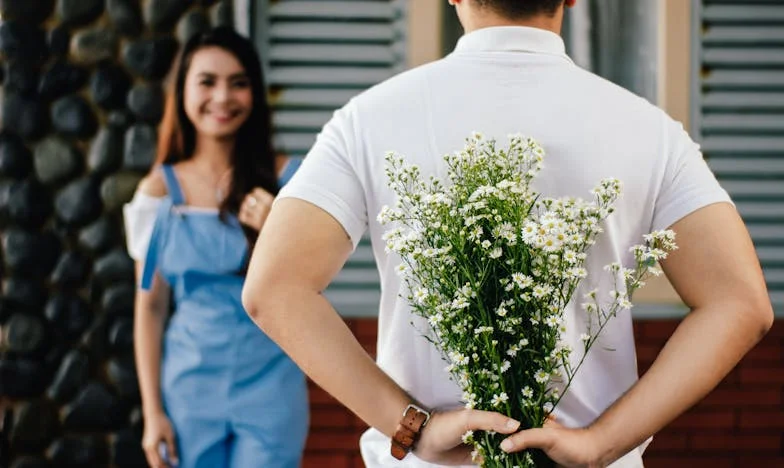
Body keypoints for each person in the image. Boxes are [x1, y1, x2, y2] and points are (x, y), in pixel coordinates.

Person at [241, 1, 774, 467]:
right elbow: (741, 304)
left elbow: (273, 289)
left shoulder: (369, 119)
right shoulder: (650, 130)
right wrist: (601, 444)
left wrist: (412, 428)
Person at [123, 27, 307, 468]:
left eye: (238, 82)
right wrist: (153, 413)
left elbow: (312, 287)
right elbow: (149, 308)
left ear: (255, 94)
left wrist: (277, 230)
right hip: (188, 390)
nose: (222, 97)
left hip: (273, 384)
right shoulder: (157, 193)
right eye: (207, 81)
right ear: (183, 90)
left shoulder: (292, 182)